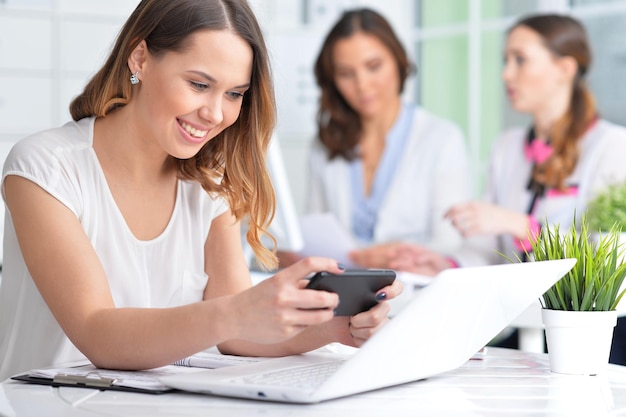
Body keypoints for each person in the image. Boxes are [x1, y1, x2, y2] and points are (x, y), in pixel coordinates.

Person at [0, 0, 401, 381]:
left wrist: (338, 329)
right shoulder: (45, 168)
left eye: (234, 94)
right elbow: (97, 331)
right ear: (140, 59)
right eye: (198, 84)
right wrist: (239, 311)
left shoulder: (208, 186)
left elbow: (237, 335)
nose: (214, 113)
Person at [387, 14, 626, 357]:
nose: (506, 74)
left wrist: (522, 227)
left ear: (565, 68)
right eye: (506, 60)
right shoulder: (506, 148)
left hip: (588, 338)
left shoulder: (614, 147)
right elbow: (487, 252)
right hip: (524, 329)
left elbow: (608, 270)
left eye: (520, 60)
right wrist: (446, 265)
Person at [278, 8, 470, 269]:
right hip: (343, 298)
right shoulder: (325, 145)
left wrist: (393, 257)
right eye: (346, 73)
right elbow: (316, 233)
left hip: (416, 292)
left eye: (373, 67)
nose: (362, 85)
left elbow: (450, 244)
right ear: (332, 80)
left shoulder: (442, 139)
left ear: (399, 61)